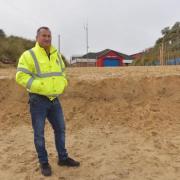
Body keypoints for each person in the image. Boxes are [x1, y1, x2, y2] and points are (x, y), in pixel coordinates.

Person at [16, 26, 80, 176]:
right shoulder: (29, 55)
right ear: (37, 37)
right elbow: (20, 76)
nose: (47, 38)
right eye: (44, 35)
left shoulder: (56, 54)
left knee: (60, 129)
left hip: (54, 99)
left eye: (49, 36)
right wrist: (41, 86)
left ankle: (63, 158)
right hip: (38, 100)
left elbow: (62, 72)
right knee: (39, 133)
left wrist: (63, 84)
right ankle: (44, 162)